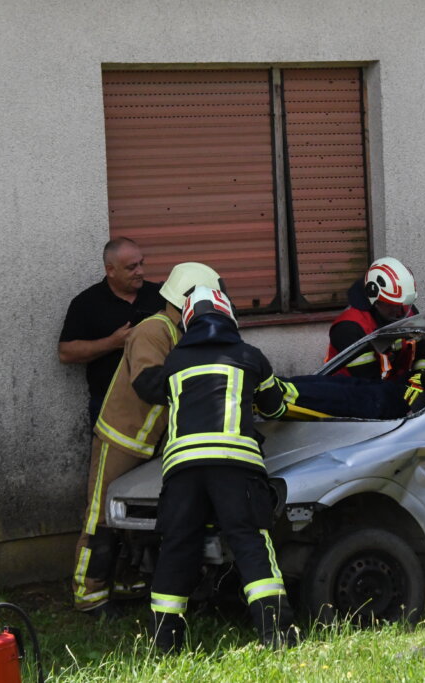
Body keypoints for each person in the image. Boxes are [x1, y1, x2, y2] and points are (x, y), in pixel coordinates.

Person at [132, 286, 298, 652]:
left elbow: (157, 392)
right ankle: (277, 637)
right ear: (229, 316)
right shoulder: (249, 356)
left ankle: (163, 644)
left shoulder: (174, 362)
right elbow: (274, 408)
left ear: (188, 322)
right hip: (235, 467)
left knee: (176, 549)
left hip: (182, 470)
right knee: (251, 542)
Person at [72, 262, 224, 617]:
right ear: (188, 300)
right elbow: (149, 384)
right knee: (102, 520)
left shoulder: (179, 332)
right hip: (122, 440)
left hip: (155, 442)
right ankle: (89, 597)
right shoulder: (153, 331)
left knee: (139, 519)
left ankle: (128, 584)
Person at [58, 237, 165, 423]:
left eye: (141, 264)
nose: (140, 271)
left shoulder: (159, 296)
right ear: (110, 270)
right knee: (108, 453)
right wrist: (113, 343)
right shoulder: (86, 303)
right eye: (132, 267)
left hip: (158, 400)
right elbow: (66, 353)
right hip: (110, 404)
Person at [325, 257, 425, 381]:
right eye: (390, 305)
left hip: (392, 389)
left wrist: (420, 380)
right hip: (352, 393)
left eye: (401, 304)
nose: (398, 311)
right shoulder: (349, 327)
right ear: (374, 300)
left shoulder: (406, 311)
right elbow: (367, 379)